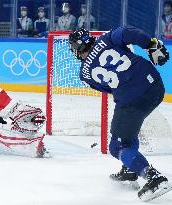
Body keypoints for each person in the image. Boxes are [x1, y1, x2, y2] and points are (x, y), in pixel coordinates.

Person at [68, 27, 171, 201]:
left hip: (132, 99)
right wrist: (151, 45)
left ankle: (153, 177)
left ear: (77, 48)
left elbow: (110, 88)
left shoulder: (84, 74)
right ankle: (131, 169)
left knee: (117, 146)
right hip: (156, 87)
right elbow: (130, 33)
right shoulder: (106, 38)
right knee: (128, 132)